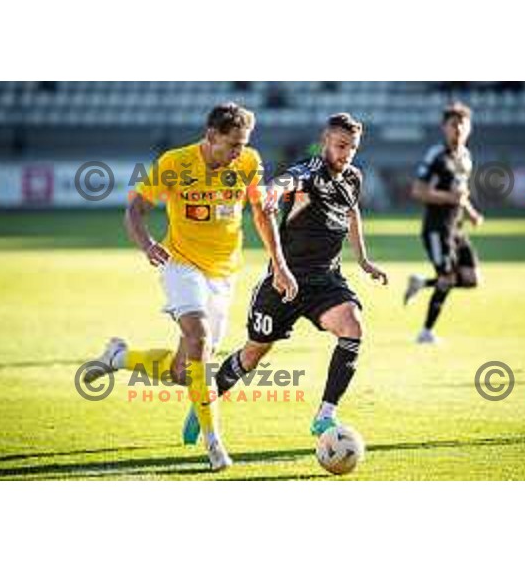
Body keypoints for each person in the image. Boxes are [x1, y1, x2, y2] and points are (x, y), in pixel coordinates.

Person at [83, 103, 297, 471]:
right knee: (197, 338)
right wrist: (148, 244)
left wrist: (280, 264)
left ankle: (118, 357)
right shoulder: (175, 163)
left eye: (243, 144)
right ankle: (214, 443)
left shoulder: (248, 163)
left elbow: (262, 214)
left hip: (224, 272)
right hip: (180, 263)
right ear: (211, 136)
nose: (238, 152)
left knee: (185, 371)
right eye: (232, 144)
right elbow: (134, 209)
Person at [196, 112, 388, 438]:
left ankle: (325, 415)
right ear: (326, 141)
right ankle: (202, 402)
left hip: (326, 281)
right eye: (341, 145)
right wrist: (271, 193)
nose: (346, 153)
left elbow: (353, 212)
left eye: (352, 147)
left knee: (352, 327)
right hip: (285, 281)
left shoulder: (353, 177)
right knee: (253, 353)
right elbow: (286, 182)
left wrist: (364, 260)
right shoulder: (310, 170)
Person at [405, 101, 484, 343]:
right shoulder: (436, 156)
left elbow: (460, 192)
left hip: (456, 229)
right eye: (453, 124)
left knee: (472, 279)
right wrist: (451, 198)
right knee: (448, 278)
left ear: (469, 127)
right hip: (437, 230)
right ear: (444, 127)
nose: (458, 128)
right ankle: (425, 332)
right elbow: (418, 191)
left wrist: (470, 212)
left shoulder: (466, 157)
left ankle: (421, 282)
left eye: (463, 123)